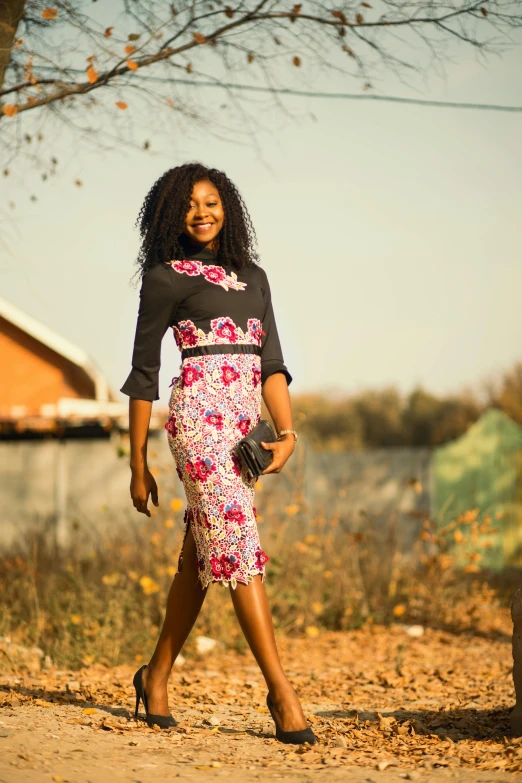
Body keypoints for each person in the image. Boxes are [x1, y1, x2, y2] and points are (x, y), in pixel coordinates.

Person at [121, 163, 315, 745]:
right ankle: (281, 693)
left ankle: (154, 678)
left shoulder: (254, 277)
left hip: (243, 426)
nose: (201, 213)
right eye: (189, 204)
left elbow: (273, 364)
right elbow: (143, 374)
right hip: (197, 423)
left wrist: (286, 432)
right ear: (170, 214)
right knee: (238, 543)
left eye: (211, 202)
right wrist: (137, 463)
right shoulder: (163, 279)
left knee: (202, 556)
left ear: (226, 207)